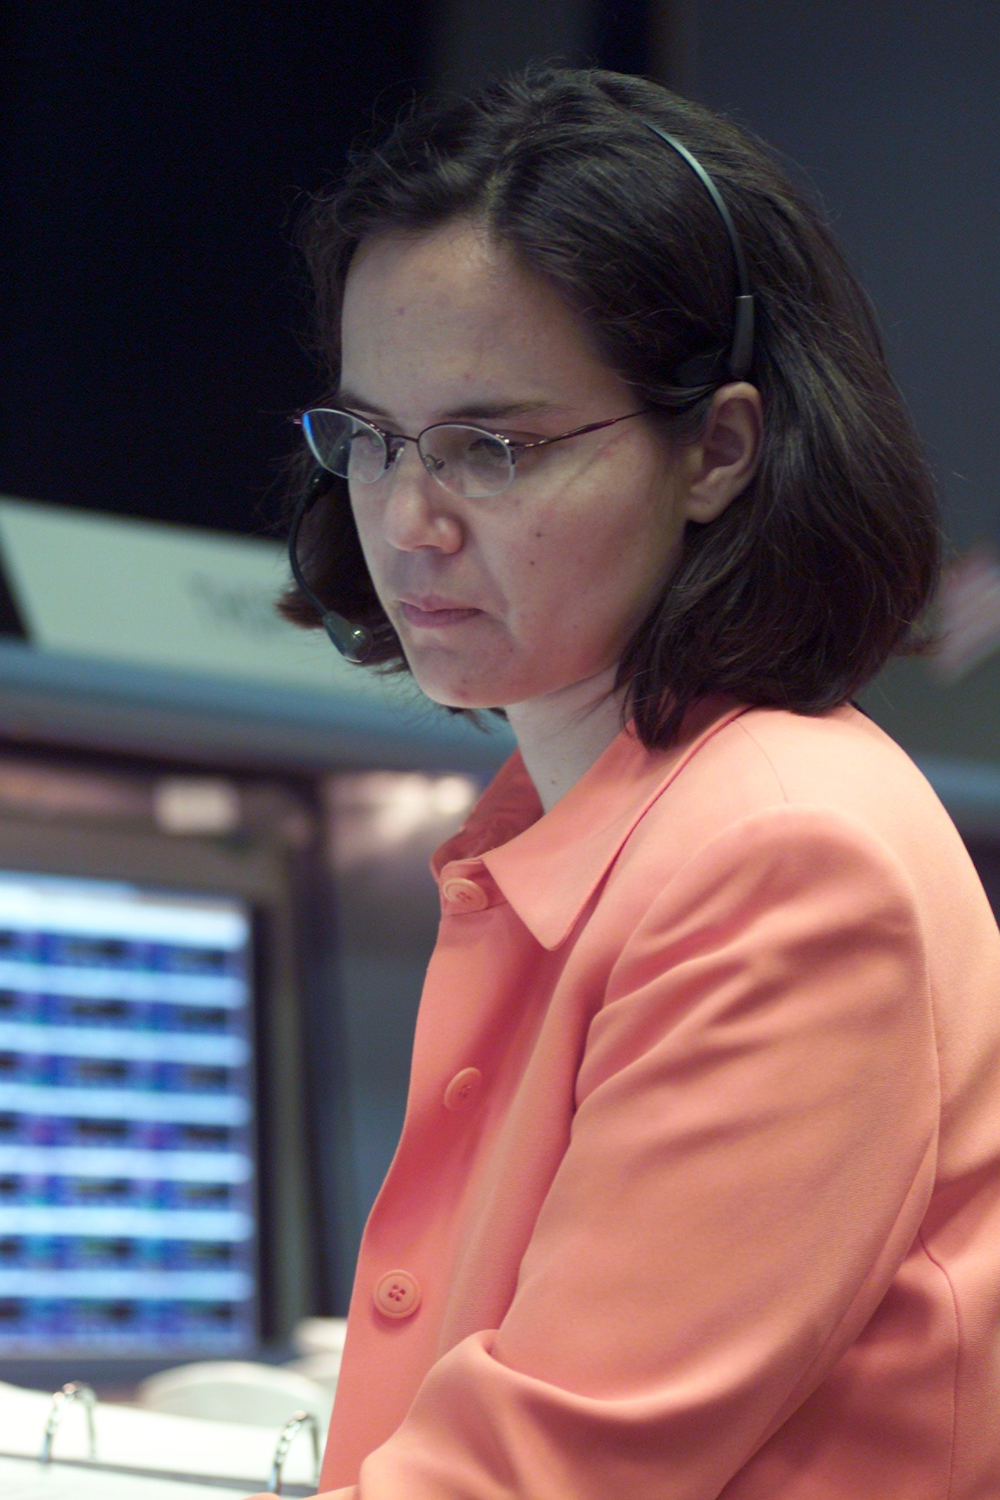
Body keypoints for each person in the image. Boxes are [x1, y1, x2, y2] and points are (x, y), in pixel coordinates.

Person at [268, 66, 1000, 1499]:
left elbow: (540, 1475)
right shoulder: (610, 814)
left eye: (495, 447)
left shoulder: (785, 856)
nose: (406, 523)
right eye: (370, 439)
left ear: (716, 451)